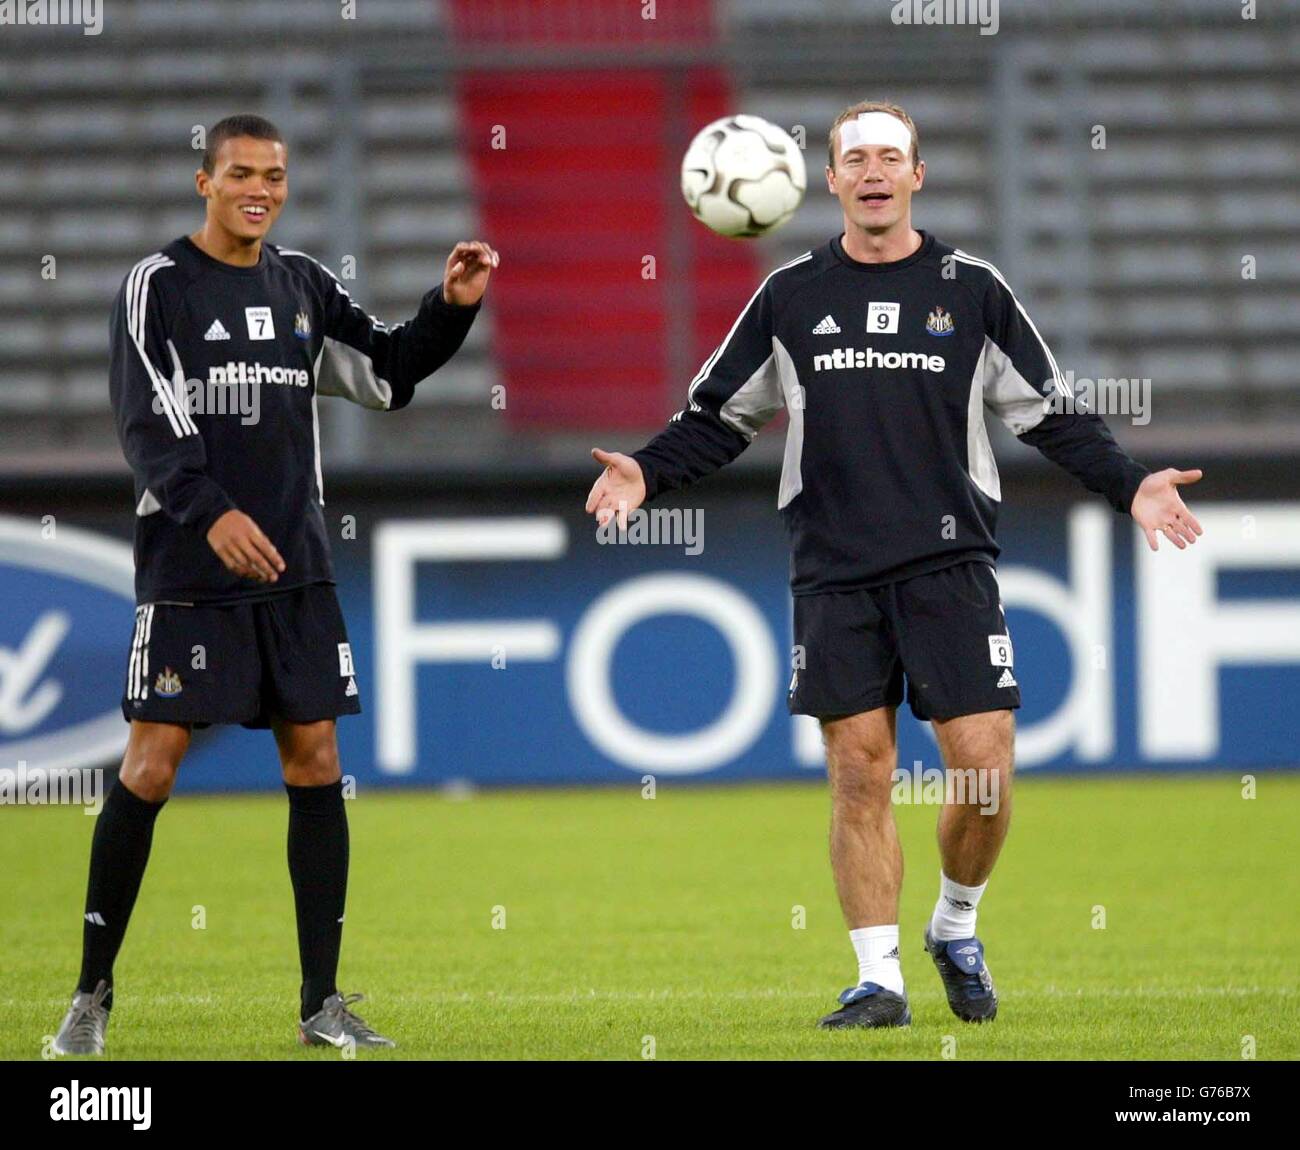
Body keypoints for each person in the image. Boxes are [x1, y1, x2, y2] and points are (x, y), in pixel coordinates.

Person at [585, 100, 1202, 1028]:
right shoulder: (790, 296)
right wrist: (647, 471)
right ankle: (879, 981)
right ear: (828, 181)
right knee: (861, 773)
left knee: (985, 772)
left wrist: (1130, 486)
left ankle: (955, 924)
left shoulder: (972, 289)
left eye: (890, 156)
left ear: (918, 175)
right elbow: (719, 416)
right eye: (854, 158)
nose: (873, 171)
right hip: (834, 568)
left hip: (949, 561)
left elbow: (1052, 412)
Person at [52, 113, 497, 1055]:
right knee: (150, 767)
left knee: (317, 763)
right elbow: (147, 422)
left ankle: (320, 1006)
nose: (261, 188)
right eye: (243, 172)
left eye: (276, 175)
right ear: (205, 182)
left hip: (295, 569)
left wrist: (450, 307)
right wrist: (209, 511)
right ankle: (90, 998)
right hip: (188, 572)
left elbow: (386, 370)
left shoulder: (301, 284)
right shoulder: (157, 288)